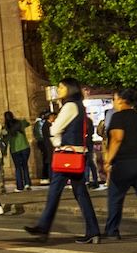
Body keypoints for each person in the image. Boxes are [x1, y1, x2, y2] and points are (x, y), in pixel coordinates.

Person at [25, 79, 101, 243]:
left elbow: (55, 128)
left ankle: (43, 228)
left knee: (54, 192)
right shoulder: (79, 106)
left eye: (61, 87)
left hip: (66, 156)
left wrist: (57, 142)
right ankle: (93, 231)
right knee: (80, 193)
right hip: (77, 156)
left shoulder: (69, 106)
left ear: (70, 88)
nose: (58, 89)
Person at [102, 89, 137, 239]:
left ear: (121, 100)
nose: (113, 102)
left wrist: (108, 160)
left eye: (114, 99)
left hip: (124, 164)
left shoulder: (118, 117)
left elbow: (117, 139)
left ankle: (112, 231)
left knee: (115, 198)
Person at [3, 111, 32, 191]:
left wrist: (4, 151)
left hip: (15, 149)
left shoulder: (6, 128)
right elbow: (27, 123)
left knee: (18, 168)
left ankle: (20, 186)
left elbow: (5, 140)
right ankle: (27, 184)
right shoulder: (20, 123)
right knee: (25, 166)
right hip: (25, 147)